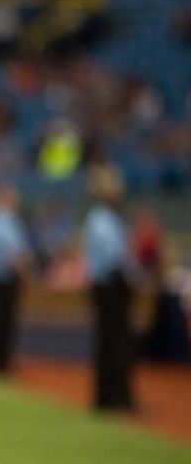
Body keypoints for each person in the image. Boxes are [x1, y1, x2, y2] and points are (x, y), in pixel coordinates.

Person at [84, 168, 136, 412]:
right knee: (113, 343)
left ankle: (111, 396)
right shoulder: (102, 219)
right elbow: (115, 257)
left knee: (112, 342)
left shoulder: (105, 219)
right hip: (110, 286)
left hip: (110, 285)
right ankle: (112, 397)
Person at [0, 182, 32, 376]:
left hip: (8, 278)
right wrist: (24, 272)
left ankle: (4, 362)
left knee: (7, 322)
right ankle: (0, 364)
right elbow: (12, 253)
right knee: (2, 322)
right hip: (3, 278)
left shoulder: (9, 220)